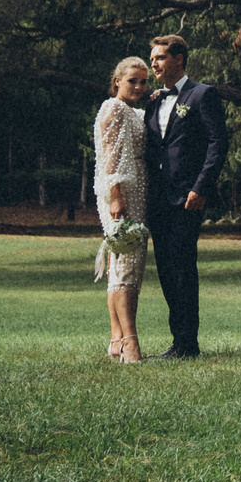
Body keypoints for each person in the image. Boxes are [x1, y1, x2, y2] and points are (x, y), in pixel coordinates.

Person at [144, 34, 228, 360]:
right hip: (157, 200)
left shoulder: (202, 95)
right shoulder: (153, 101)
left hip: (187, 197)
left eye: (160, 57)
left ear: (178, 58)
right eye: (152, 59)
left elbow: (217, 144)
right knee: (165, 269)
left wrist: (201, 187)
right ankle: (177, 341)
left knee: (182, 267)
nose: (154, 63)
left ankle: (188, 344)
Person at [92, 57, 151, 364]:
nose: (140, 86)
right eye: (133, 81)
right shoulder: (114, 108)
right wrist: (116, 196)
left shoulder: (131, 110)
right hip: (123, 193)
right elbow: (111, 157)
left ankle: (117, 339)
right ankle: (130, 343)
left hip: (136, 190)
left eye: (144, 81)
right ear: (117, 82)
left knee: (123, 268)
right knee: (127, 266)